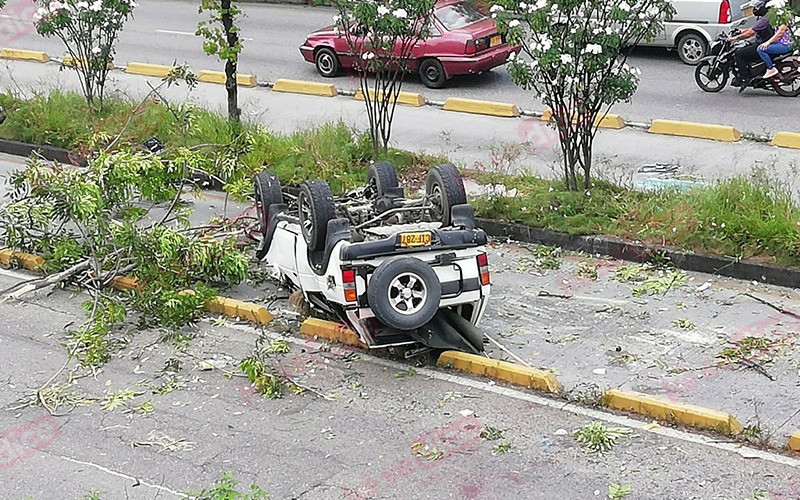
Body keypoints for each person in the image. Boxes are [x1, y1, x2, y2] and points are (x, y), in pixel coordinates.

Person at [726, 1, 774, 86]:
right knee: (746, 45)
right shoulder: (765, 18)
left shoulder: (764, 20)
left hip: (763, 44)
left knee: (738, 54)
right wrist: (741, 30)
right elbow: (754, 28)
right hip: (764, 42)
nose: (754, 10)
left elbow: (750, 33)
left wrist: (733, 39)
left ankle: (745, 77)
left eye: (756, 8)